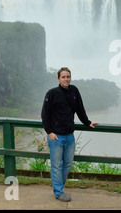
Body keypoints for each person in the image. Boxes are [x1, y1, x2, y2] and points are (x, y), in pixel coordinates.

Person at [41, 67, 98, 202]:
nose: (66, 79)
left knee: (67, 164)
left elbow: (79, 109)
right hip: (56, 136)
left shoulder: (74, 91)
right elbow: (45, 114)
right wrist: (49, 132)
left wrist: (87, 122)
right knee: (56, 165)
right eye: (63, 77)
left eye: (68, 77)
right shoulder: (52, 93)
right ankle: (59, 192)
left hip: (69, 135)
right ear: (58, 79)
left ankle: (59, 188)